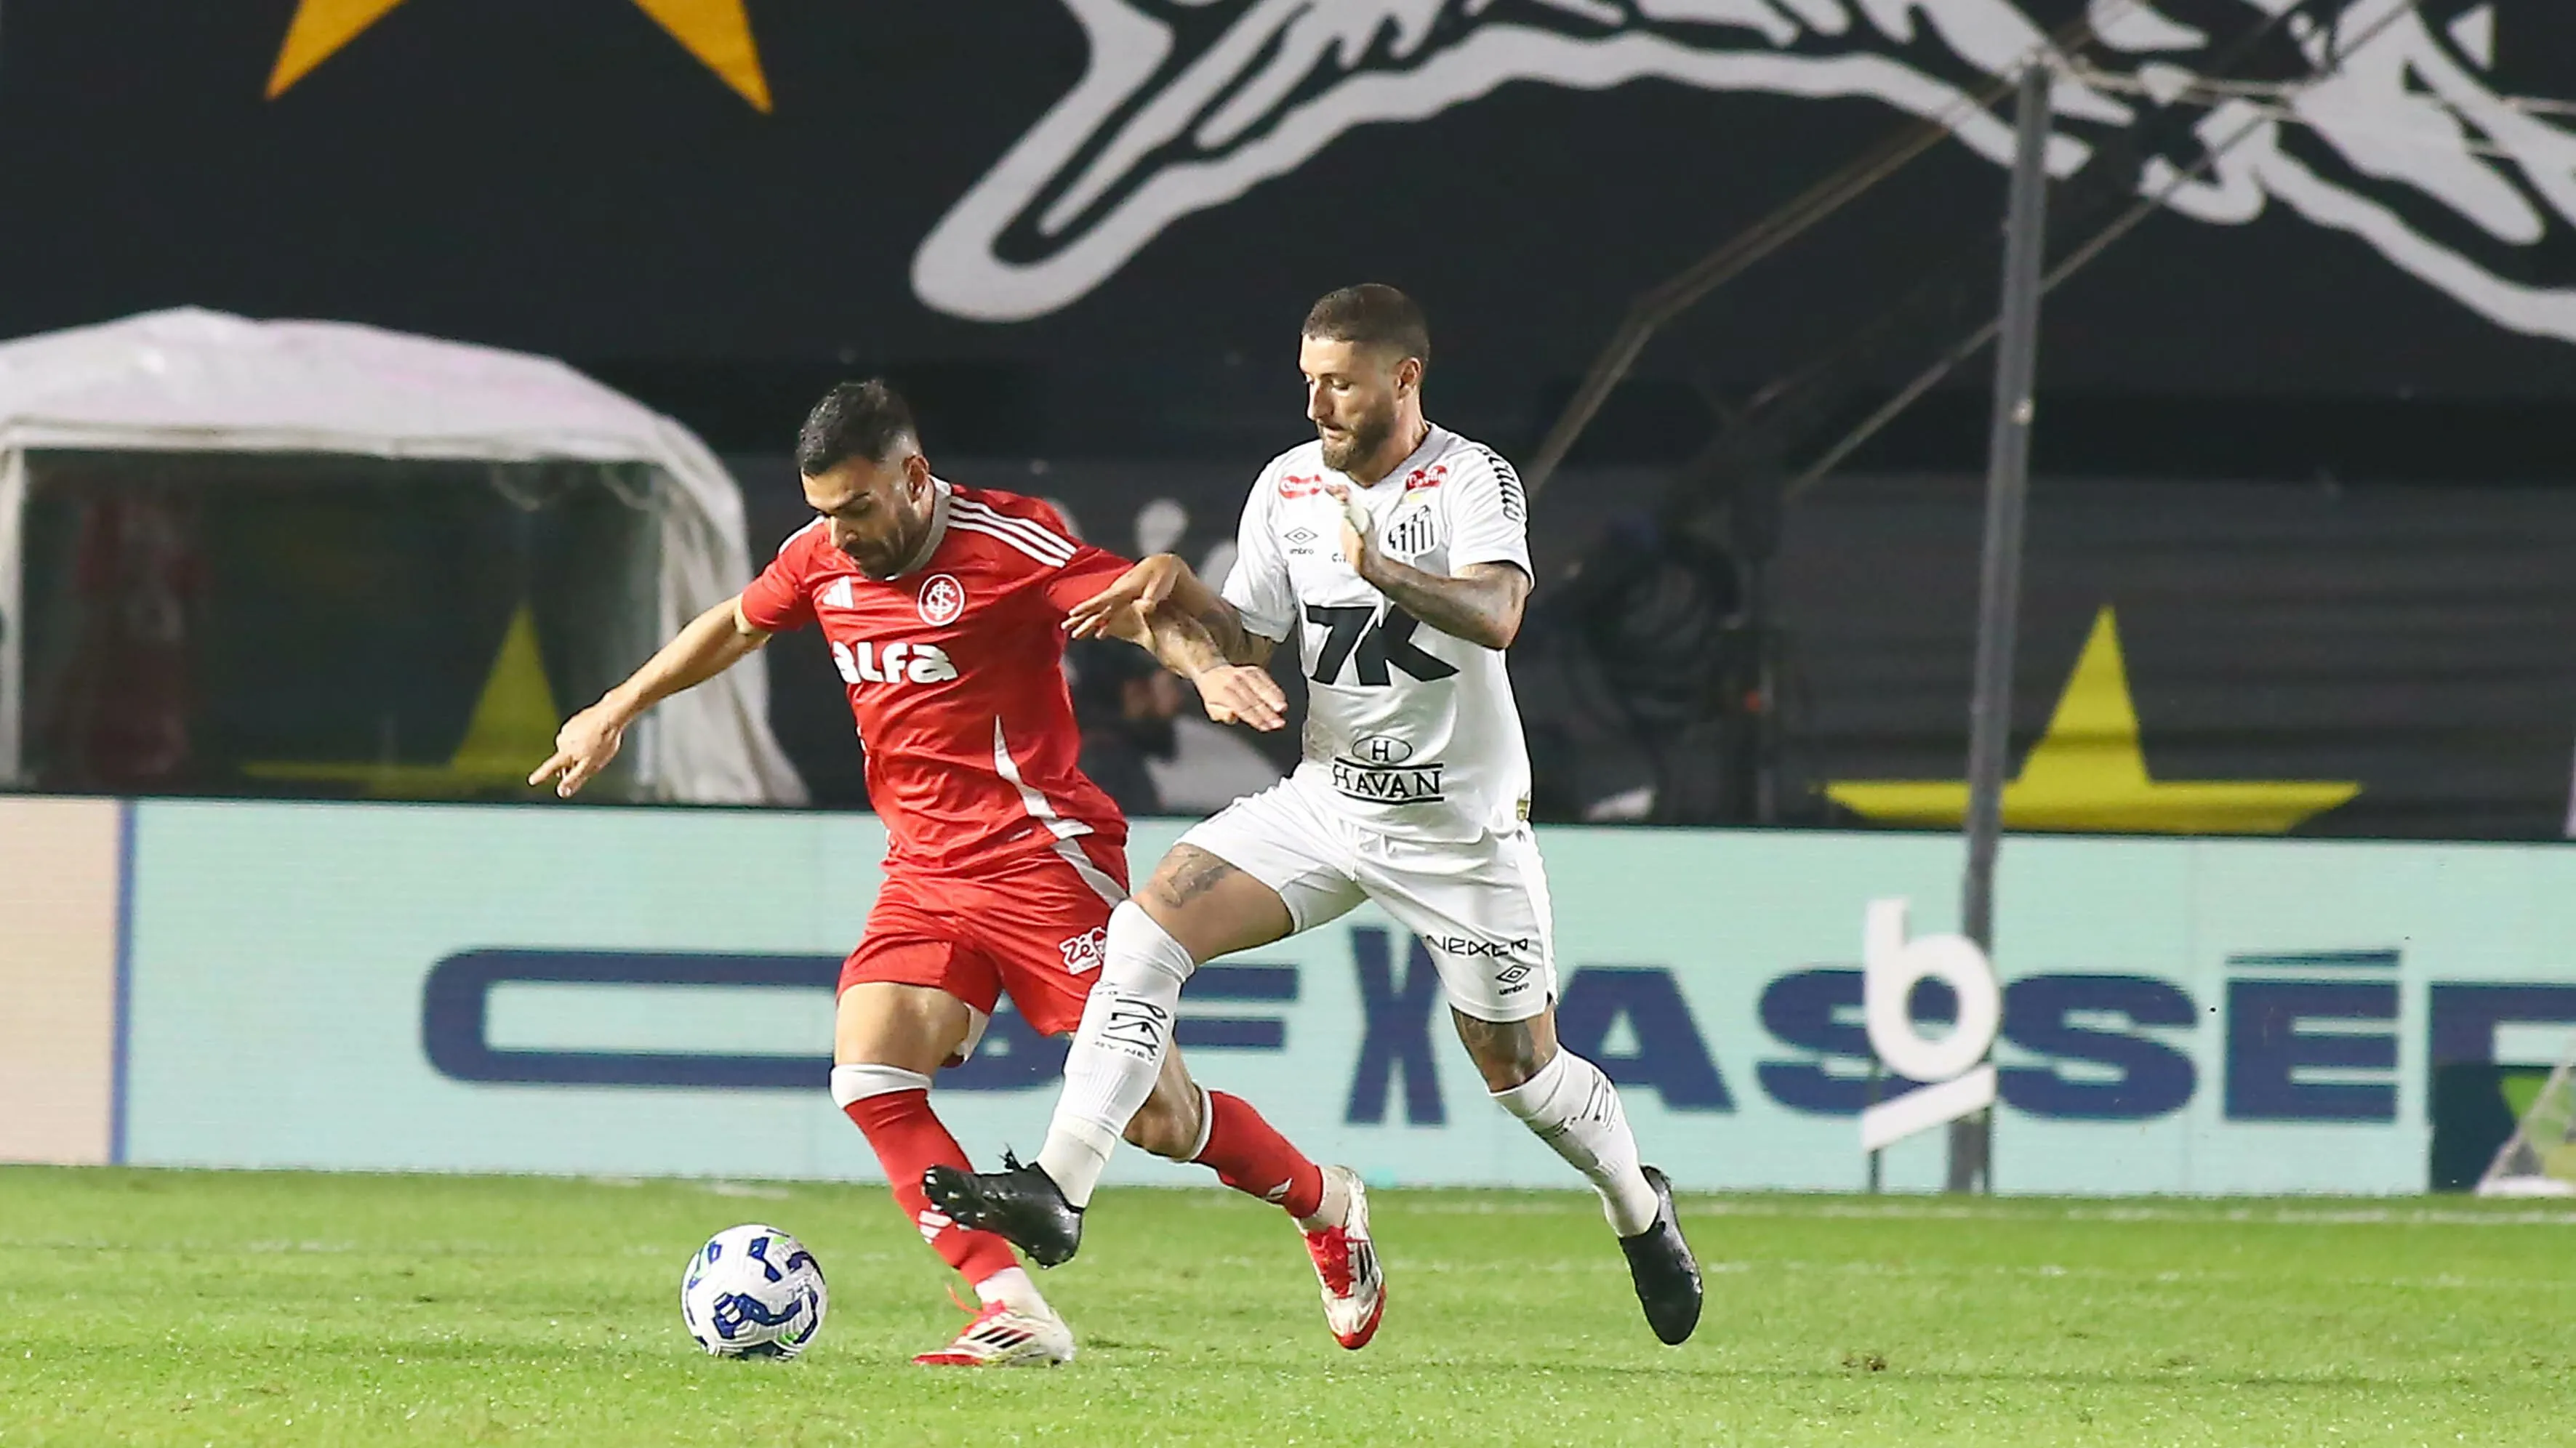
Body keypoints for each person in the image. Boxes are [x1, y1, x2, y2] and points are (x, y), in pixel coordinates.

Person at [529, 380, 1384, 1366]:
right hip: (922, 871)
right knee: (869, 1072)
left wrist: (1204, 670)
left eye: (857, 508)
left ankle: (1326, 1203)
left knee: (1159, 1118)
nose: (840, 535)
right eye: (822, 514)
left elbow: (1137, 607)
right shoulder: (819, 561)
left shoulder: (1005, 543)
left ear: (912, 476)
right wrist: (616, 707)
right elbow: (733, 623)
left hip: (1043, 859)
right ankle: (1011, 1307)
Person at [926, 285, 1704, 1346]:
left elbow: (1499, 613)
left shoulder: (1470, 478)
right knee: (1146, 931)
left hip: (1457, 836)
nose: (1318, 405)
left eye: (1338, 383)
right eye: (1308, 383)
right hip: (1327, 805)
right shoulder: (1288, 485)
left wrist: (1380, 564)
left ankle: (1636, 1206)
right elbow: (1250, 636)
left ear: (1403, 377)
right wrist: (1176, 594)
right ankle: (1058, 1188)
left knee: (1521, 1077)